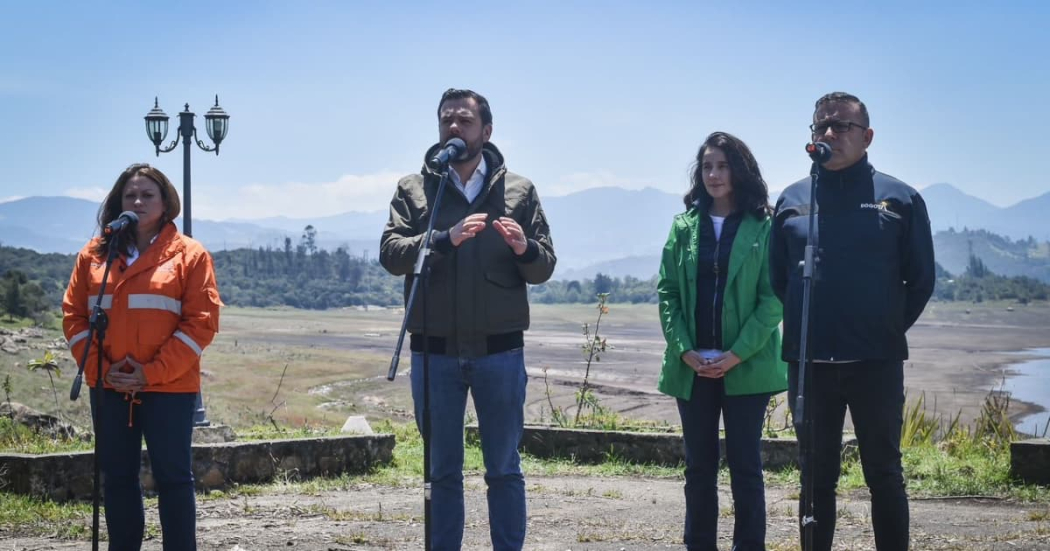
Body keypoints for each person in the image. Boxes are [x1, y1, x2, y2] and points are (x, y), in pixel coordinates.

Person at [380, 88, 556, 551]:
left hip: (499, 352)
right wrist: (441, 238)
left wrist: (525, 249)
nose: (453, 128)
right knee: (441, 472)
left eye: (463, 121)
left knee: (503, 467)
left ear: (487, 131)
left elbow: (544, 267)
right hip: (434, 354)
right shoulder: (415, 189)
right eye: (446, 121)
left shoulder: (517, 191)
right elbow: (392, 254)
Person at [770, 92, 935, 550]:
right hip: (810, 364)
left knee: (884, 473)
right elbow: (779, 279)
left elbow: (920, 281)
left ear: (867, 136)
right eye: (820, 126)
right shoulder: (792, 199)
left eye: (840, 126)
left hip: (875, 362)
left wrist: (880, 327)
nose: (828, 134)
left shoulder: (899, 199)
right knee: (816, 476)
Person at [63, 163, 222, 551]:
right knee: (117, 477)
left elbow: (201, 323)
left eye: (147, 194)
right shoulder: (93, 256)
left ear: (166, 202)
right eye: (130, 195)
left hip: (170, 387)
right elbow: (75, 316)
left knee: (174, 478)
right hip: (110, 385)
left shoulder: (190, 255)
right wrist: (104, 368)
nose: (138, 201)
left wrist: (150, 373)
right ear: (118, 203)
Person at [657, 131, 787, 551]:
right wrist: (684, 350)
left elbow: (773, 299)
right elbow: (668, 292)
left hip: (746, 366)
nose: (713, 174)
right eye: (707, 166)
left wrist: (735, 355)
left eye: (722, 165)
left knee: (746, 466)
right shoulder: (683, 227)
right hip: (692, 367)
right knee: (698, 468)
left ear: (740, 170)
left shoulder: (764, 228)